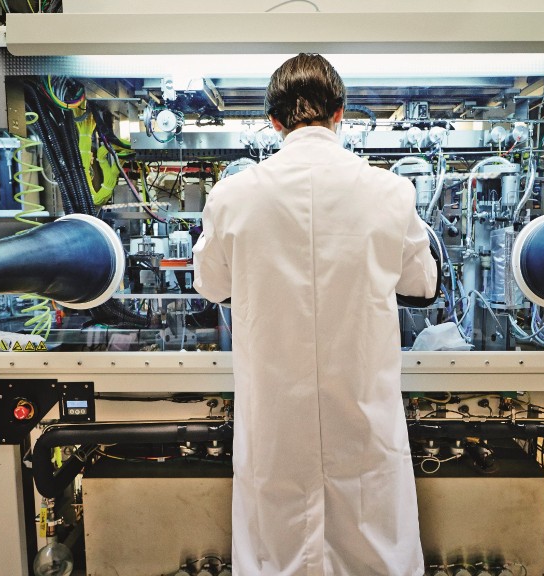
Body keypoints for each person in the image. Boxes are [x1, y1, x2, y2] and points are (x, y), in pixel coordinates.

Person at [193, 53, 439, 576]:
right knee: (374, 550)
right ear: (340, 113)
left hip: (276, 424)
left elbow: (211, 284)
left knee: (275, 552)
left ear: (275, 121)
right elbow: (423, 284)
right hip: (362, 416)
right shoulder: (391, 192)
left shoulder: (233, 195)